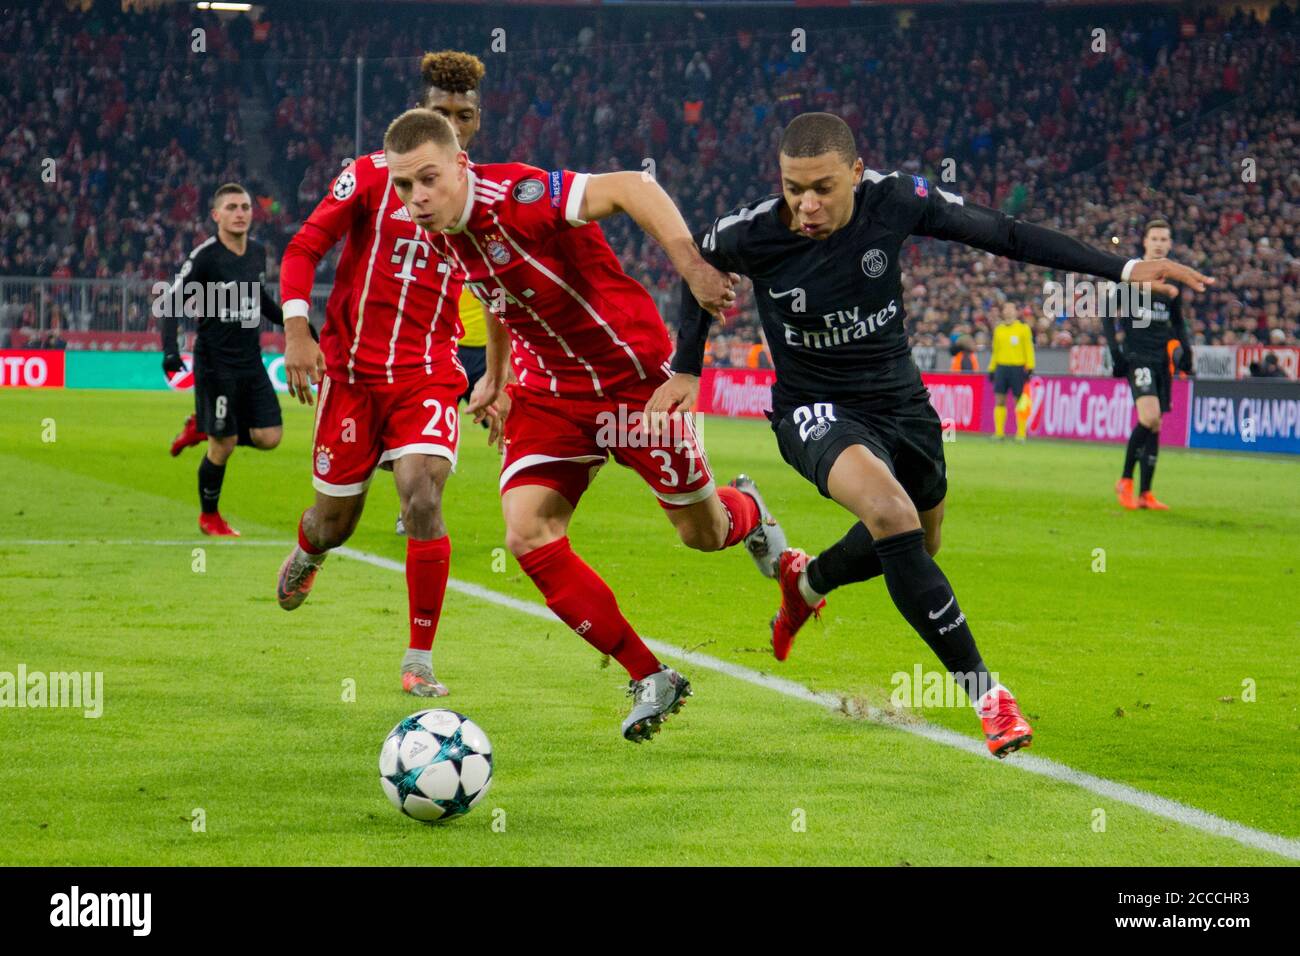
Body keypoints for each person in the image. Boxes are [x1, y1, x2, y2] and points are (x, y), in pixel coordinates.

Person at [654, 112, 1213, 757]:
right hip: (813, 407)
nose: (805, 205)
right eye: (792, 188)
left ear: (857, 176)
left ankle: (805, 584)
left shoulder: (895, 200)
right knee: (893, 516)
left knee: (925, 536)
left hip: (902, 403)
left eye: (823, 189)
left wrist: (1119, 270)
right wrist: (688, 365)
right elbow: (696, 268)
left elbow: (1003, 233)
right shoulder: (749, 232)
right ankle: (989, 697)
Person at [382, 107, 788, 742]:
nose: (415, 198)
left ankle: (750, 512)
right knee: (527, 532)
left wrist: (692, 267)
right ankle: (650, 675)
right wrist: (496, 374)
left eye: (427, 180)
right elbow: (498, 297)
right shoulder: (440, 230)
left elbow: (633, 186)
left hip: (632, 380)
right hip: (551, 393)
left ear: (461, 165)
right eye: (404, 187)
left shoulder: (519, 195)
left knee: (703, 533)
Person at [273, 119, 496, 698]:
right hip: (350, 377)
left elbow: (506, 288)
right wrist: (298, 331)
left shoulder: (479, 196)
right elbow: (303, 248)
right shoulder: (367, 177)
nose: (413, 194)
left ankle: (418, 657)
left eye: (465, 112)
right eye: (405, 183)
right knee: (334, 524)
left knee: (422, 493)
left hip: (426, 374)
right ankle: (309, 548)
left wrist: (502, 377)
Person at [395, 50, 493, 538]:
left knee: (517, 434)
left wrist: (505, 367)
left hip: (481, 348)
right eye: (440, 115)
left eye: (464, 116)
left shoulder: (489, 192)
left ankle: (535, 523)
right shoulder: (386, 181)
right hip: (425, 347)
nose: (453, 125)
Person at [161, 183, 289, 536]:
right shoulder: (206, 256)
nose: (240, 213)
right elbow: (170, 302)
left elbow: (258, 297)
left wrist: (292, 322)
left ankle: (204, 427)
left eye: (245, 207)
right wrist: (170, 350)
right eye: (232, 207)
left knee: (270, 436)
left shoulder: (258, 252)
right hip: (216, 364)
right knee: (225, 444)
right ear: (216, 215)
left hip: (251, 361)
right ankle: (209, 516)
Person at [1104, 219, 1194, 511]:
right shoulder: (1131, 276)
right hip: (1137, 357)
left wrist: (1188, 352)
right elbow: (1107, 315)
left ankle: (1146, 493)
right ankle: (1125, 480)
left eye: (1163, 239)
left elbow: (1178, 324)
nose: (1158, 243)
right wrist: (1116, 353)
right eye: (1153, 238)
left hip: (1161, 361)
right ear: (1145, 242)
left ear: (1169, 244)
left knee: (1156, 425)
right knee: (1149, 416)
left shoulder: (1172, 283)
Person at [988, 301, 1035, 442]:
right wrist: (991, 368)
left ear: (1016, 312)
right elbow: (995, 351)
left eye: (1011, 309)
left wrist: (1030, 367)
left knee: (1019, 401)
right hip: (1001, 367)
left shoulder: (1023, 329)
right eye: (1006, 309)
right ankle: (999, 433)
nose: (1008, 311)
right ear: (1003, 312)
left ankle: (1021, 434)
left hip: (1017, 368)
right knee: (1000, 400)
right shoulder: (999, 330)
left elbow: (1029, 348)